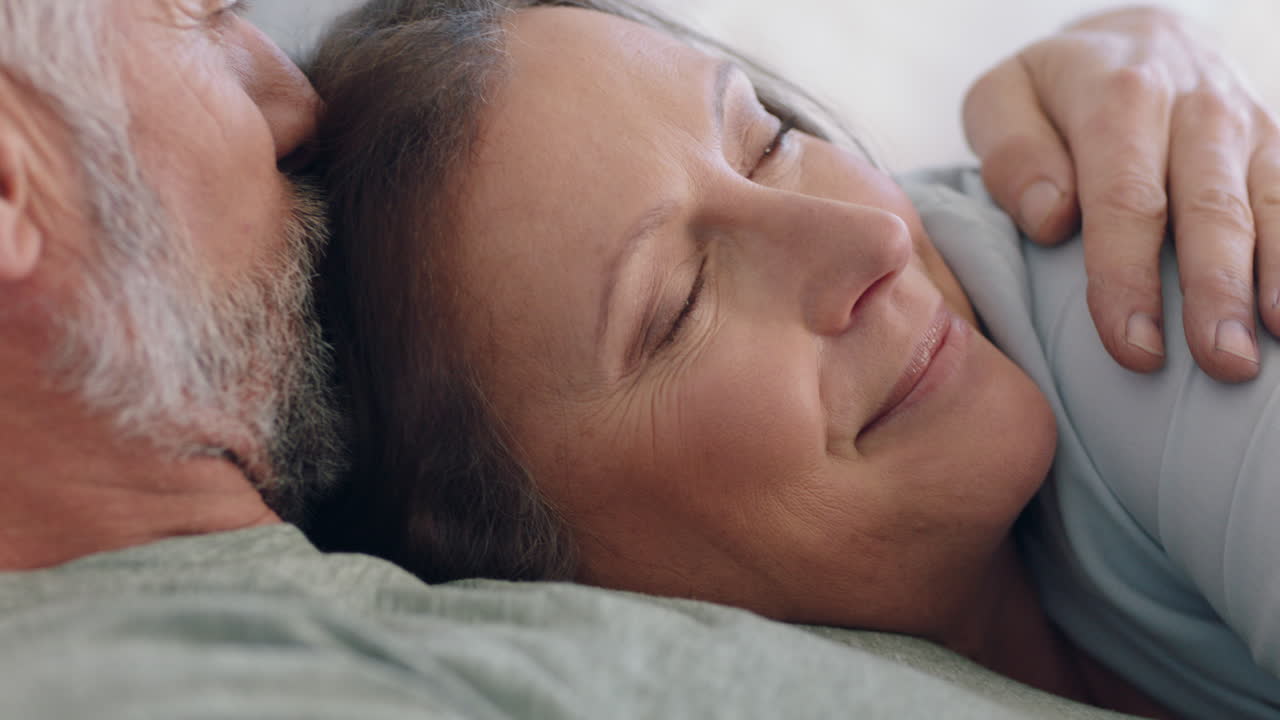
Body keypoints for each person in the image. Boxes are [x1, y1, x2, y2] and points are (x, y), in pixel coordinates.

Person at [0, 0, 1266, 717]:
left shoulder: (1125, 282)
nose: (867, 234)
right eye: (678, 305)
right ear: (538, 569)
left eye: (768, 137)